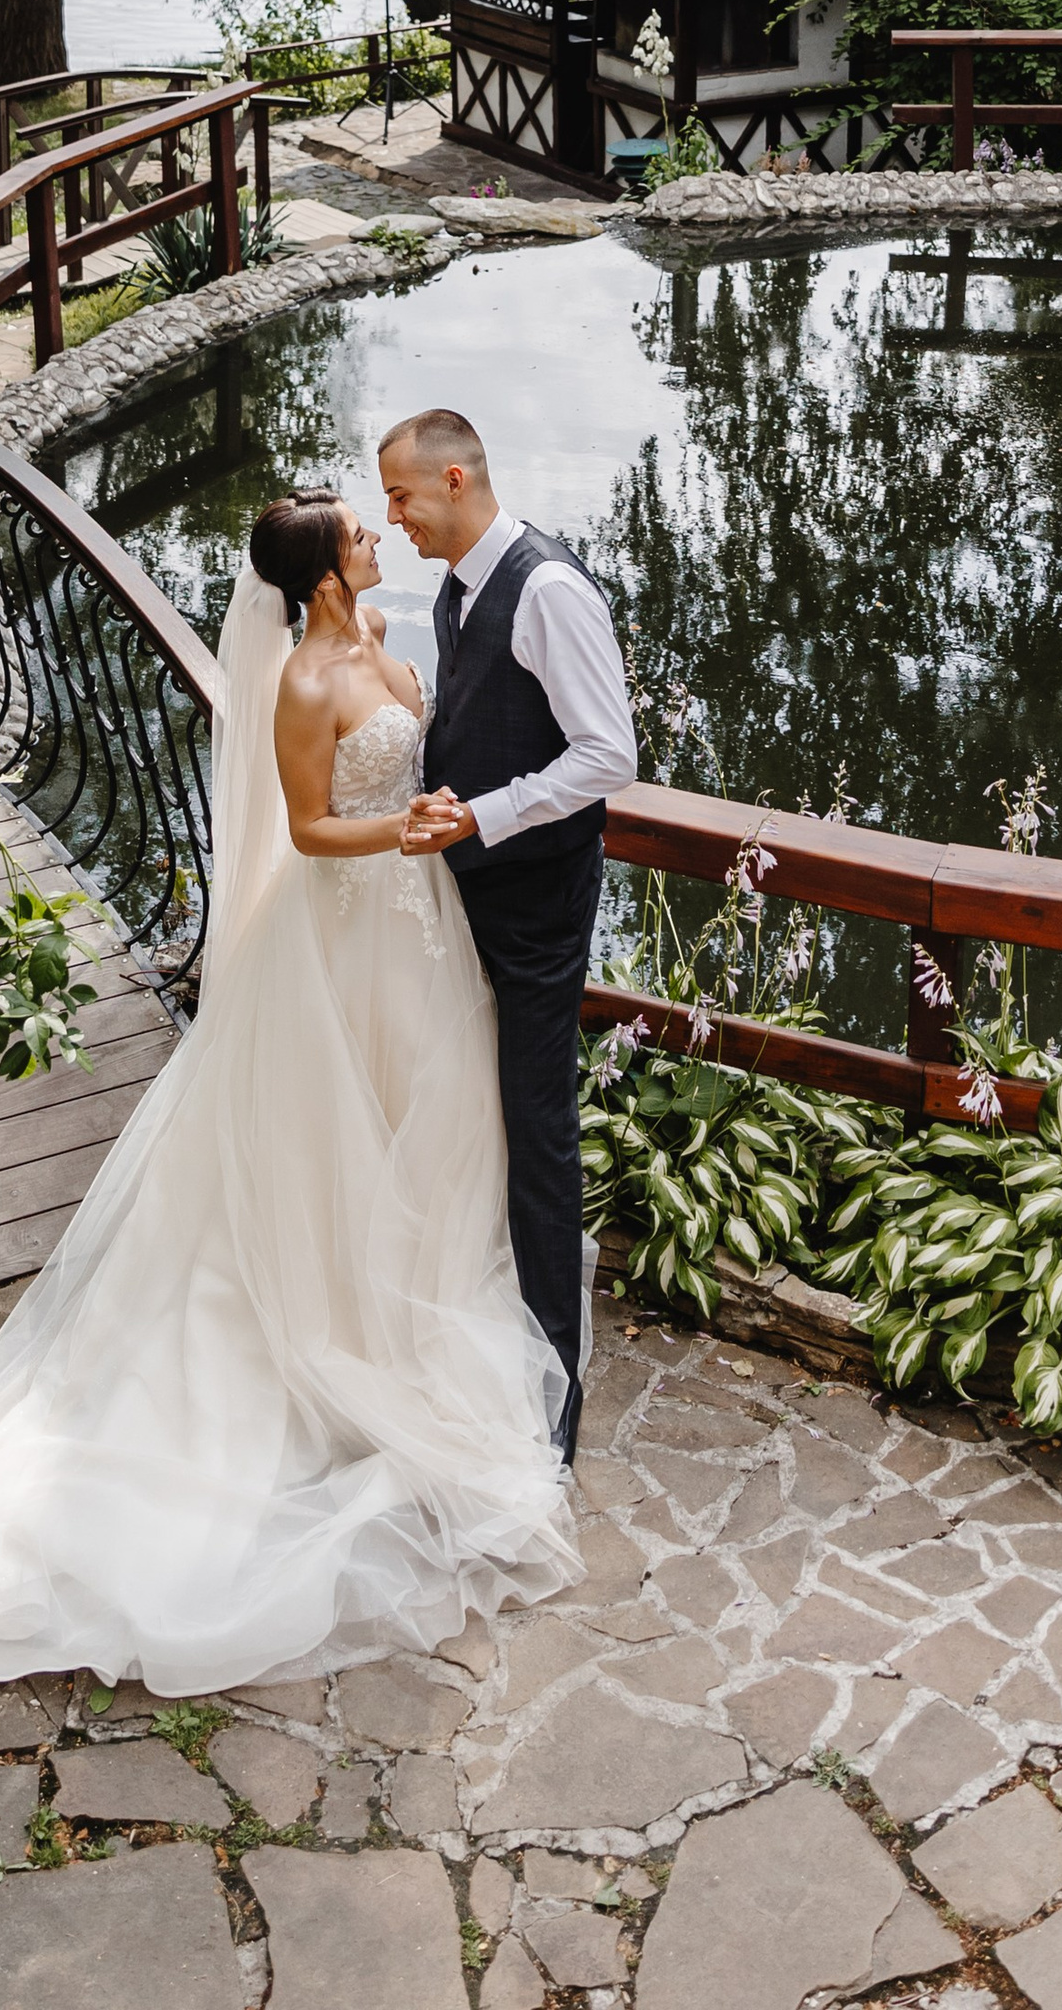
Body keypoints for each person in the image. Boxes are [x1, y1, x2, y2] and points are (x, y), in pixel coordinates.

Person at [0, 491, 579, 1694]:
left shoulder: (379, 642)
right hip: (349, 924)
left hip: (422, 931)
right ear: (318, 577)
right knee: (336, 1133)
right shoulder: (304, 682)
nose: (375, 537)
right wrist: (405, 834)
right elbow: (311, 832)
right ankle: (340, 1329)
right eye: (358, 532)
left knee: (429, 1116)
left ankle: (410, 1294)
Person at [383, 409, 637, 1461]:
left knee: (536, 1134)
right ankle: (476, 1341)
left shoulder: (547, 589)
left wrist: (484, 816)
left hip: (532, 907)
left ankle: (554, 1400)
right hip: (466, 893)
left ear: (453, 479)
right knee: (461, 1111)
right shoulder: (458, 588)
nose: (390, 517)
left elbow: (606, 756)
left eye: (400, 495)